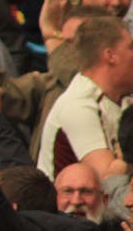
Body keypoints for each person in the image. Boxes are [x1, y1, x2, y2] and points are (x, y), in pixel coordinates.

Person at [37, 16, 133, 178]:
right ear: (110, 56)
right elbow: (108, 179)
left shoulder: (124, 98)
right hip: (67, 195)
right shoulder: (78, 105)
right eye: (131, 47)